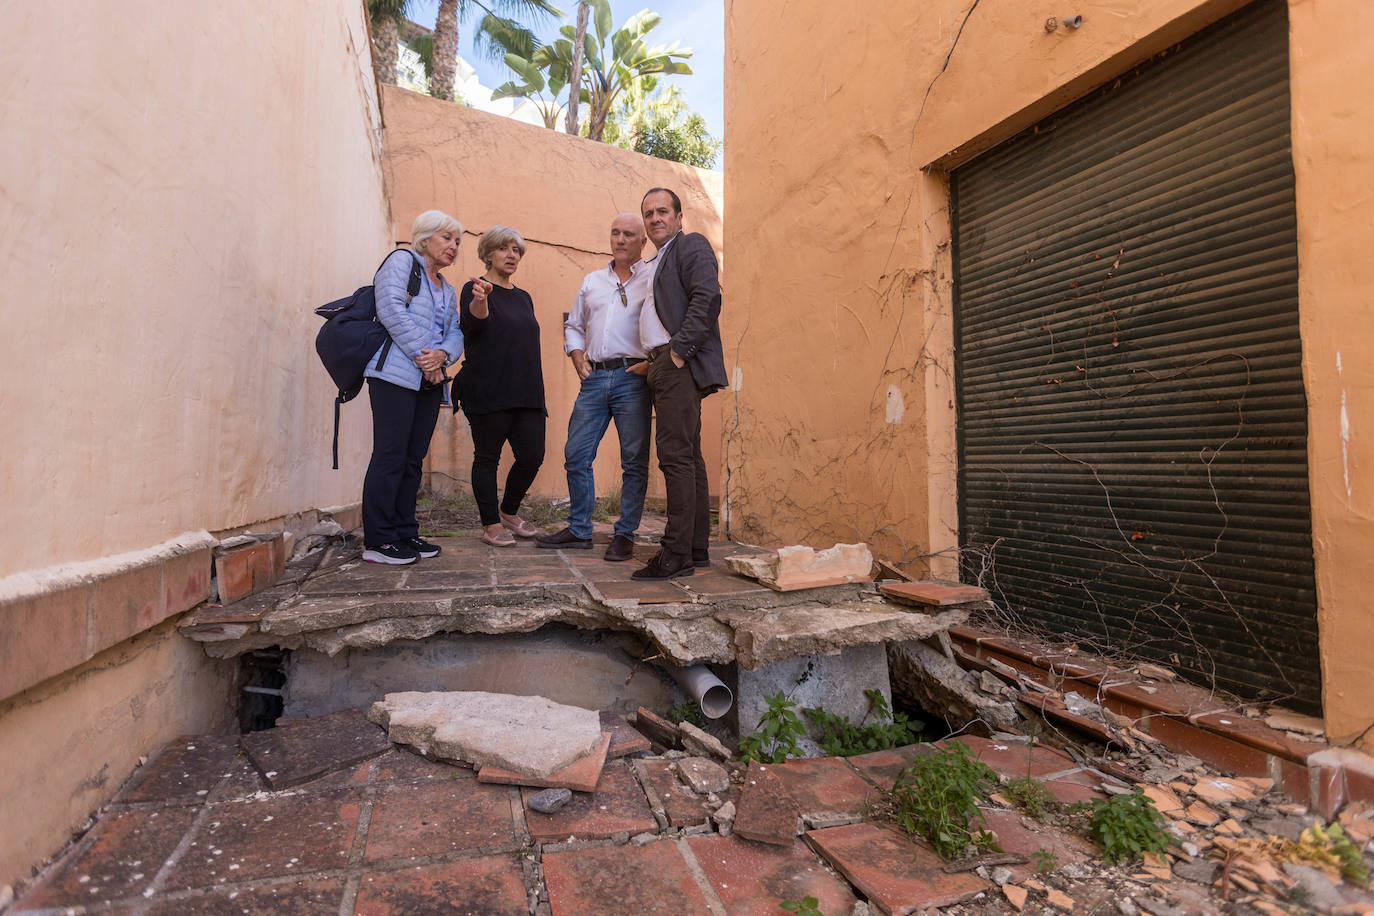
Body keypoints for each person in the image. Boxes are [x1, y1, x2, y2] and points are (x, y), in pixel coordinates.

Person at [536, 213, 653, 561]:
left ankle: (625, 534)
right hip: (595, 377)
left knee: (634, 461)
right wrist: (576, 355)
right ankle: (579, 529)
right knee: (577, 454)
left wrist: (650, 363)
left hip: (634, 377)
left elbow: (665, 325)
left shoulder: (652, 280)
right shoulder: (592, 281)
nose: (620, 240)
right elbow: (574, 325)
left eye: (628, 234)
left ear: (642, 242)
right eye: (615, 233)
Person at [361, 210, 470, 565]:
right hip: (394, 376)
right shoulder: (402, 260)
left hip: (429, 379)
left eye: (457, 241)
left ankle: (405, 532)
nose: (454, 246)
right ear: (425, 238)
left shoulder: (448, 287)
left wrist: (442, 356)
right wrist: (426, 357)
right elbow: (390, 308)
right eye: (447, 238)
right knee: (390, 456)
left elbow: (456, 332)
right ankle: (378, 540)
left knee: (413, 460)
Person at [632, 188, 727, 580]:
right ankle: (696, 549)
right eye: (649, 214)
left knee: (675, 457)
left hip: (678, 364)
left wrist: (675, 353)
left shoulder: (691, 245)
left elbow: (708, 297)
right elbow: (663, 311)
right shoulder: (661, 259)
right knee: (689, 457)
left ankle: (675, 555)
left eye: (662, 211)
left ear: (679, 216)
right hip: (663, 364)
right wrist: (652, 359)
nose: (655, 218)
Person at [455, 225, 546, 547]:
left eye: (517, 250)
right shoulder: (475, 289)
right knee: (487, 458)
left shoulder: (524, 298)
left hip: (526, 391)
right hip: (488, 388)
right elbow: (475, 321)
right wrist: (481, 301)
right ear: (488, 253)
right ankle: (491, 524)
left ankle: (508, 511)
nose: (512, 255)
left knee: (532, 455)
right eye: (505, 248)